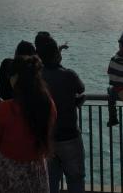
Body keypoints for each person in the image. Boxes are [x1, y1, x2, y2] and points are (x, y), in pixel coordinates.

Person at [0, 55, 57, 193]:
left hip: (10, 170)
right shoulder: (48, 105)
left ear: (17, 78)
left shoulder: (6, 108)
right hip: (37, 169)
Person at [35, 32, 86, 193]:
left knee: (51, 183)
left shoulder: (38, 77)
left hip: (48, 139)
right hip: (69, 136)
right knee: (75, 180)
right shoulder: (68, 75)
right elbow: (81, 88)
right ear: (57, 55)